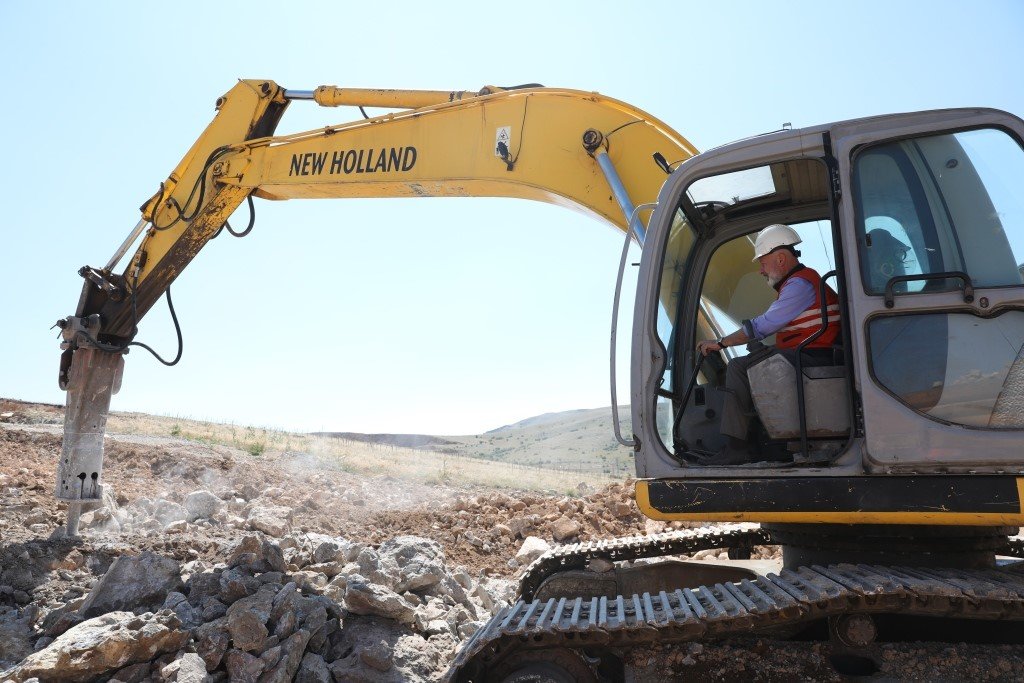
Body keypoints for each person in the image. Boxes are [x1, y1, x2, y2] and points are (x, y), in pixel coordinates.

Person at [695, 224, 841, 465]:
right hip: (812, 353)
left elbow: (762, 326)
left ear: (781, 258)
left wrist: (721, 343)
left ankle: (737, 447)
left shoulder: (799, 285)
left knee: (738, 368)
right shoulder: (801, 283)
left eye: (762, 263)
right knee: (754, 361)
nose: (761, 271)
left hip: (815, 355)